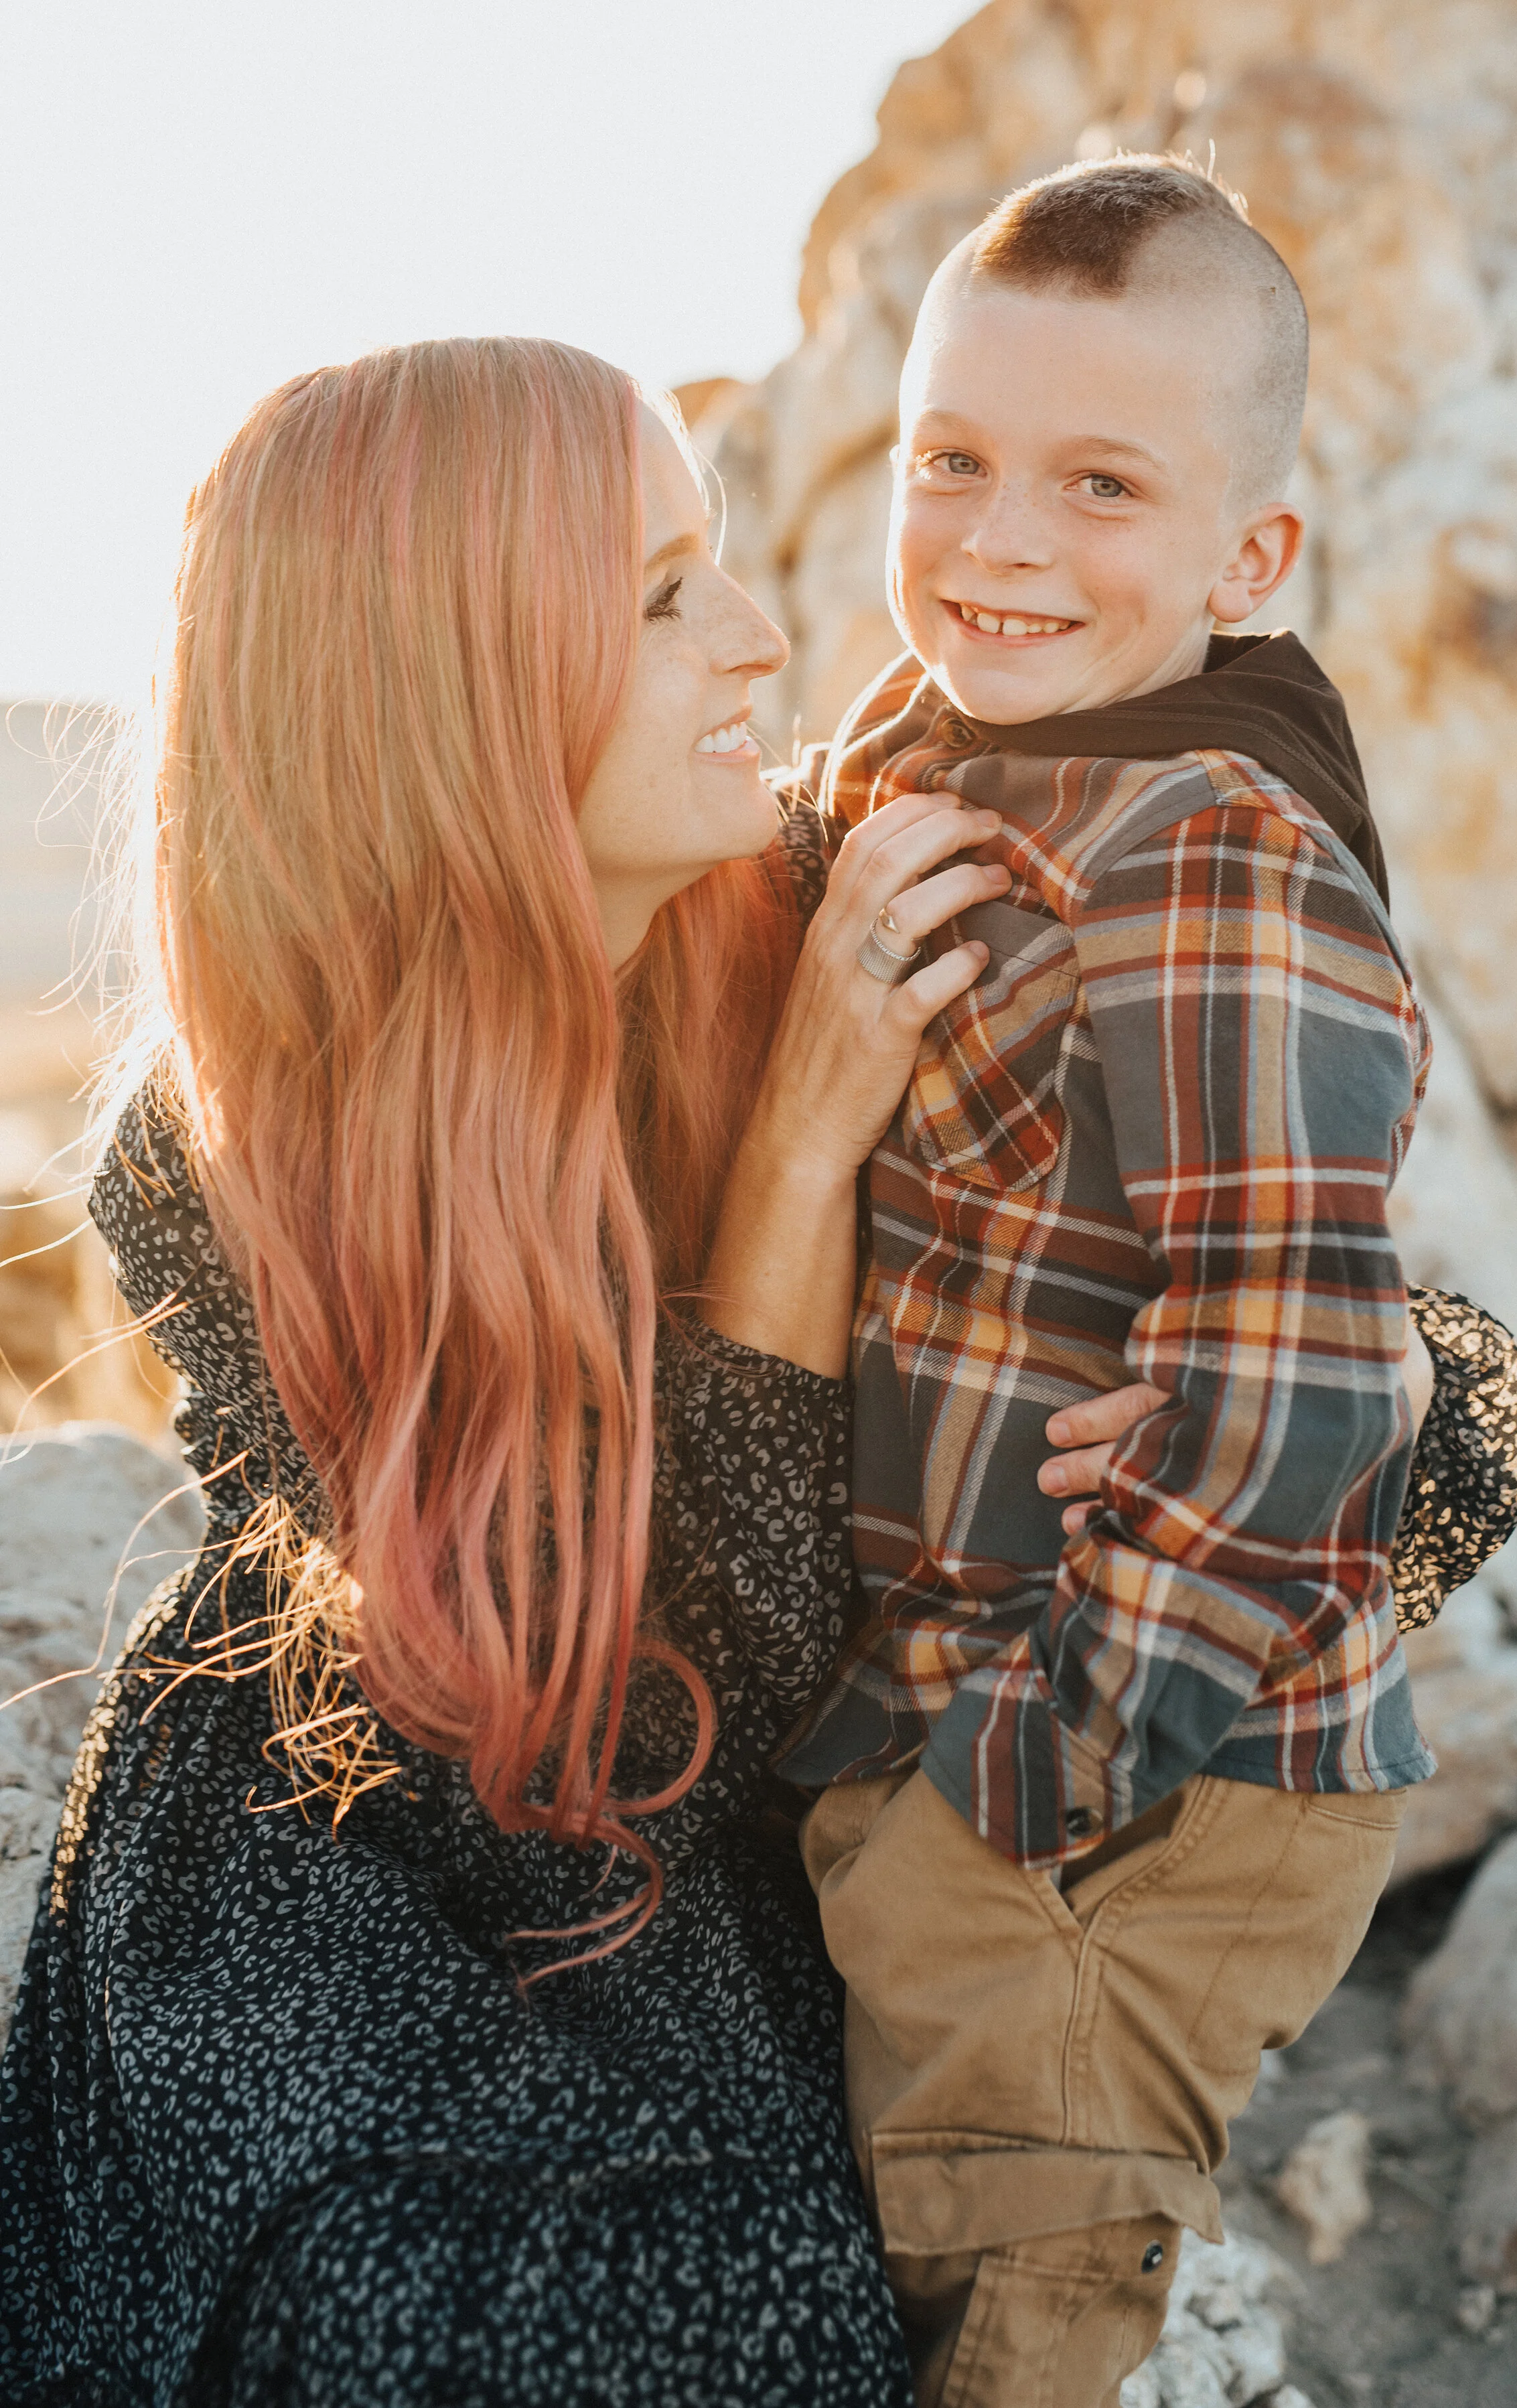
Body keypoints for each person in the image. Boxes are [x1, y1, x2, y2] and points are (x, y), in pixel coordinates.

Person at [0, 336, 1026, 2407]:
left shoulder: (842, 916)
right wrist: (809, 1144)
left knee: (748, 2307)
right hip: (368, 1821)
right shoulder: (221, 1143)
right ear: (462, 688)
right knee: (398, 2309)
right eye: (660, 596)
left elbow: (1359, 1336)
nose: (756, 635)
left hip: (692, 1850)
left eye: (718, 561)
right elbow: (605, 1701)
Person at [780, 158, 1517, 2408]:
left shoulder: (1205, 849)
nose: (1000, 541)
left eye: (1102, 485)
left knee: (1019, 2290)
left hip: (1142, 1778)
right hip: (1003, 1733)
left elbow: (1294, 1374)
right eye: (953, 460)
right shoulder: (962, 753)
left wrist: (1023, 1777)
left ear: (1248, 557)